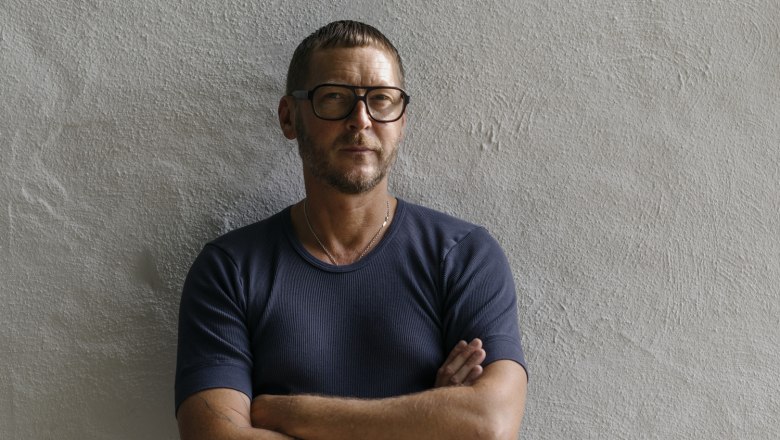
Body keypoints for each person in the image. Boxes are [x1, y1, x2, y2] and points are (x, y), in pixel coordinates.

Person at [175, 20, 528, 439]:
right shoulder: (230, 269)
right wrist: (428, 420)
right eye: (335, 98)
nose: (361, 119)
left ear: (402, 120)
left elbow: (490, 424)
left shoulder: (463, 255)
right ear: (289, 118)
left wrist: (286, 412)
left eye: (381, 100)